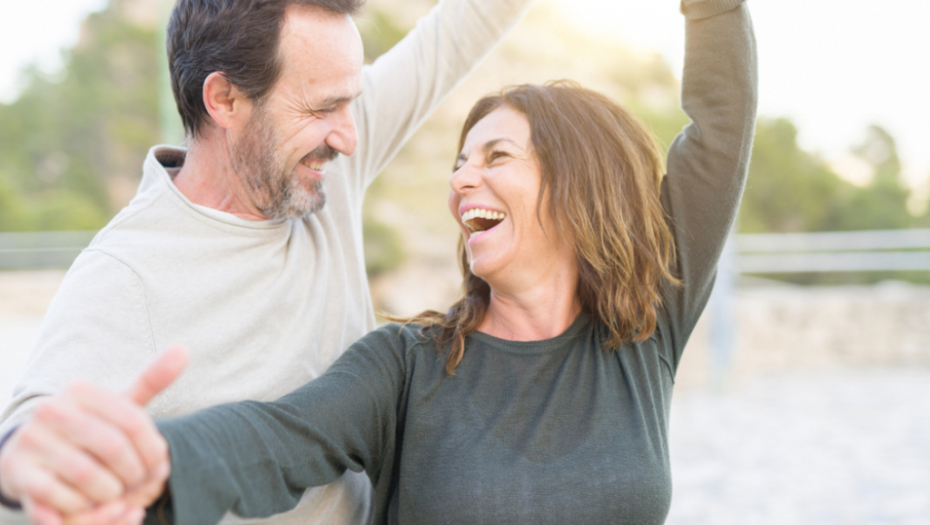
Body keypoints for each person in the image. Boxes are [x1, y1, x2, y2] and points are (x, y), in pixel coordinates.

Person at [2, 0, 757, 523]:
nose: (351, 134)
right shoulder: (403, 365)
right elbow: (273, 437)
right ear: (226, 101)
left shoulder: (641, 326)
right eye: (325, 108)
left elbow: (462, 29)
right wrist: (135, 468)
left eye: (496, 156)